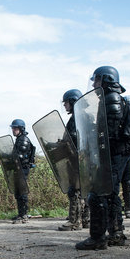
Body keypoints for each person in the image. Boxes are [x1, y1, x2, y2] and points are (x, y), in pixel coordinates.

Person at [76, 66, 130, 250]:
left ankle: (98, 237)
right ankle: (115, 232)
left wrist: (92, 129)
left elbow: (110, 133)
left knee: (100, 192)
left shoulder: (111, 99)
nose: (93, 83)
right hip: (114, 154)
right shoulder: (108, 99)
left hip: (114, 154)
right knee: (112, 193)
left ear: (106, 80)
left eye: (96, 80)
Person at [58, 89, 89, 231]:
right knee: (85, 189)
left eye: (66, 102)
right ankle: (86, 219)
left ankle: (75, 221)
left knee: (74, 190)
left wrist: (61, 144)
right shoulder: (84, 116)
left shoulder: (77, 118)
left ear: (73, 101)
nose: (65, 105)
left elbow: (73, 139)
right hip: (85, 159)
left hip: (76, 159)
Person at [10, 119, 36, 224]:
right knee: (18, 191)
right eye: (12, 128)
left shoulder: (23, 140)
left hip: (23, 168)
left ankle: (24, 215)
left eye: (15, 128)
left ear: (21, 129)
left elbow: (20, 156)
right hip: (18, 169)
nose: (13, 130)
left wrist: (11, 158)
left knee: (22, 191)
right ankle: (20, 214)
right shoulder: (19, 139)